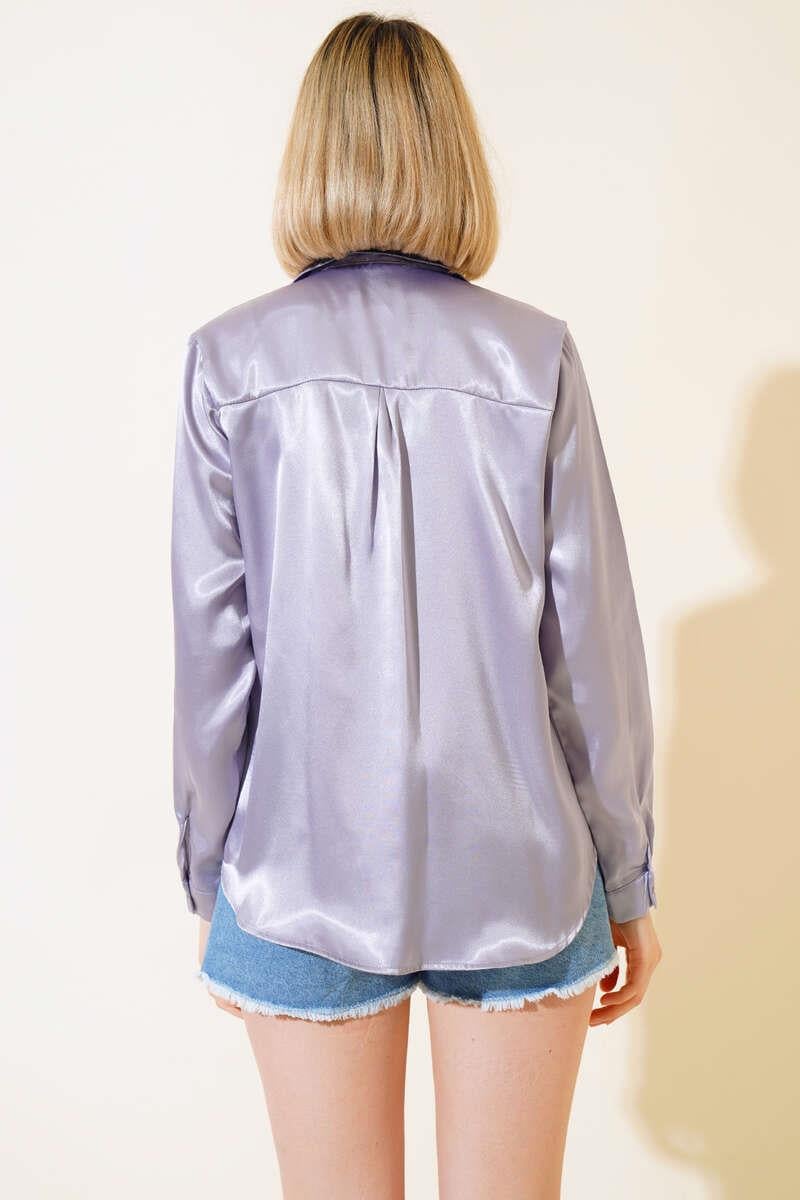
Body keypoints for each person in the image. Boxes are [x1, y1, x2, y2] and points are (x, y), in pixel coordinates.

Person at [170, 12, 662, 1199]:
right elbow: (588, 656)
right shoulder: (531, 356)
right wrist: (628, 878)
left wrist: (211, 872)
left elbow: (213, 658)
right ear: (454, 154)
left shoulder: (230, 363)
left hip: (296, 873)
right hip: (521, 870)